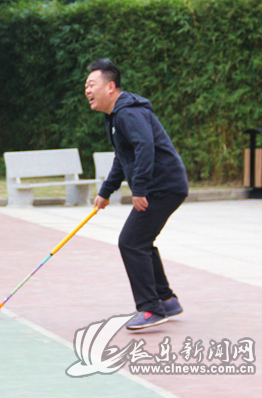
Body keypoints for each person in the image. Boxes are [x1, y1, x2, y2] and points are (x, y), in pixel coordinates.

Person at [85, 59, 189, 330]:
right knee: (140, 241)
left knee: (131, 242)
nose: (87, 90)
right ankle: (166, 300)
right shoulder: (116, 116)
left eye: (91, 84)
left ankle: (151, 308)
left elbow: (145, 148)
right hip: (161, 185)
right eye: (86, 85)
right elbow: (123, 156)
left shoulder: (128, 113)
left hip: (163, 186)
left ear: (110, 87)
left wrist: (139, 189)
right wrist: (106, 191)